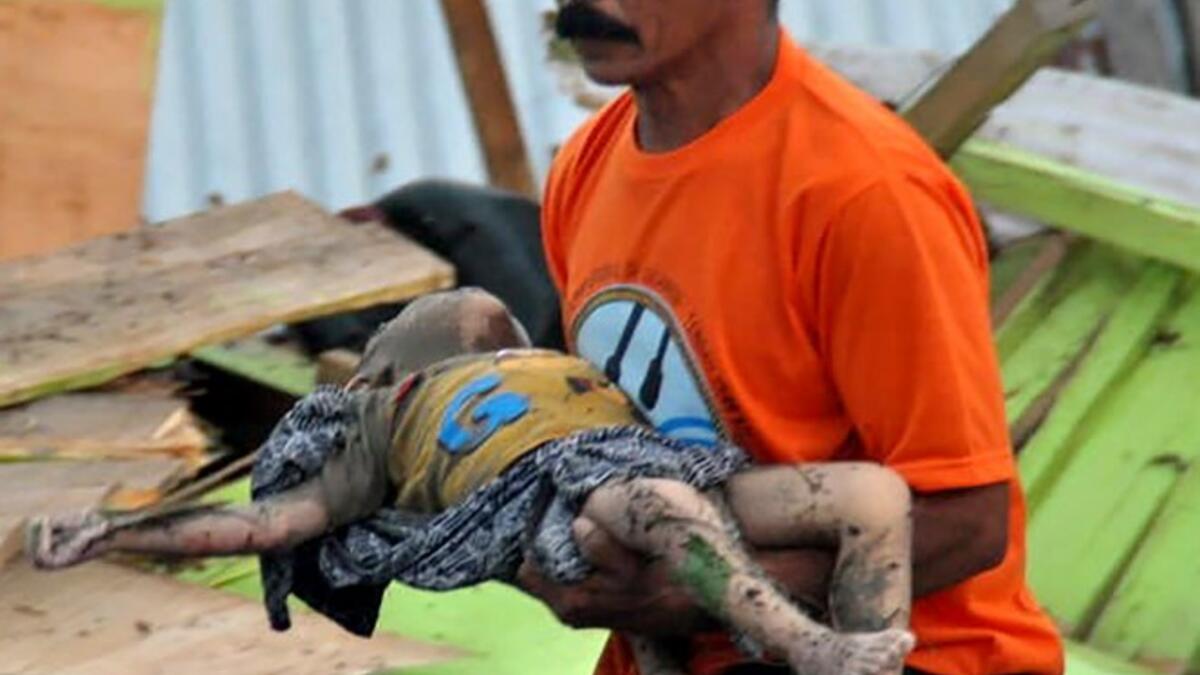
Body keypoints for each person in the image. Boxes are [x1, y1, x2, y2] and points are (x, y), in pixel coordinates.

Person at [520, 1, 1065, 674]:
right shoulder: (585, 168)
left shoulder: (865, 191)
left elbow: (968, 522)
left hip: (907, 652)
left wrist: (696, 592)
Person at [28, 289, 914, 675]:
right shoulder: (374, 424)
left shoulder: (540, 358)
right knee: (650, 507)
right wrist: (114, 532)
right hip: (560, 504)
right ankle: (811, 647)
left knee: (874, 496)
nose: (484, 320)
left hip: (660, 468)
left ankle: (866, 660)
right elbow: (266, 523)